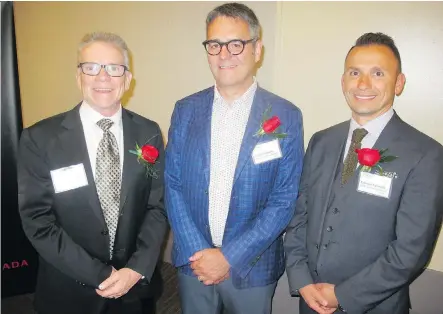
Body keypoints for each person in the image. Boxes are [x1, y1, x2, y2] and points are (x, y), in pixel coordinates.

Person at [284, 32, 443, 314]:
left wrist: (342, 295)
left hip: (375, 306)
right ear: (343, 81)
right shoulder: (321, 141)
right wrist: (301, 280)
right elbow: (299, 218)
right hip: (311, 301)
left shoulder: (426, 154)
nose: (363, 83)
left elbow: (410, 251)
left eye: (378, 73)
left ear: (399, 83)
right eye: (354, 72)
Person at [164, 2, 304, 314]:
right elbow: (172, 183)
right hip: (194, 262)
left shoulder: (286, 115)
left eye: (236, 44)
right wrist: (198, 251)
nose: (224, 54)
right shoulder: (186, 110)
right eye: (214, 44)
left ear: (257, 50)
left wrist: (229, 257)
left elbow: (284, 197)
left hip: (252, 266)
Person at [17, 32, 168, 314]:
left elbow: (157, 207)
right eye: (91, 67)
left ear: (127, 78)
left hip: (134, 291)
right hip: (69, 291)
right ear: (79, 76)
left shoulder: (148, 133)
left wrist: (136, 268)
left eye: (114, 68)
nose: (103, 77)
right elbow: (37, 220)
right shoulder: (40, 139)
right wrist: (100, 274)